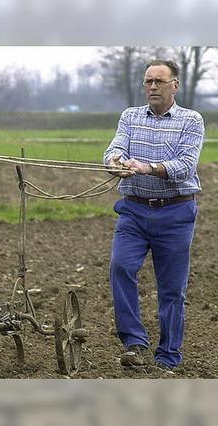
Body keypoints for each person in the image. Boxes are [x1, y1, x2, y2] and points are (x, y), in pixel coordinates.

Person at [103, 59, 204, 370]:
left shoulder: (191, 120)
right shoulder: (130, 117)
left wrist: (147, 167)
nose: (152, 87)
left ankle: (168, 357)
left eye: (159, 81)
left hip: (175, 213)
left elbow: (185, 165)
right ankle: (134, 342)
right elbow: (114, 149)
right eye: (148, 81)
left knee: (172, 289)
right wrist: (114, 162)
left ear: (175, 85)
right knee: (120, 267)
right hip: (133, 210)